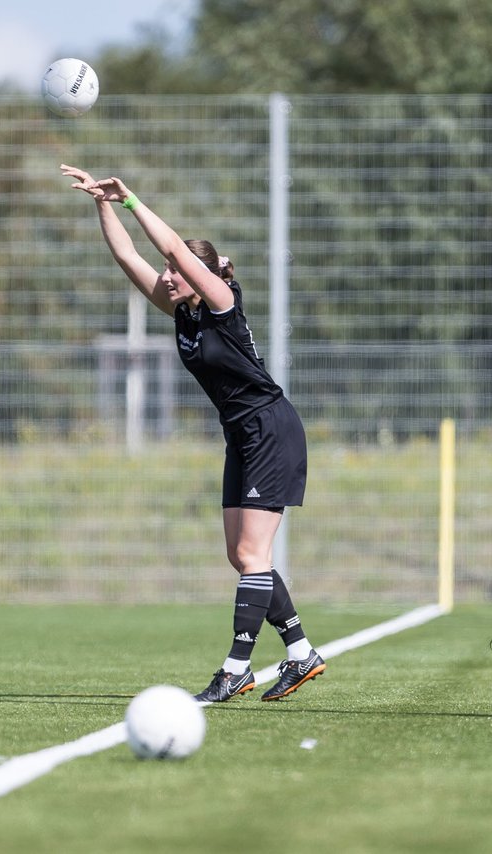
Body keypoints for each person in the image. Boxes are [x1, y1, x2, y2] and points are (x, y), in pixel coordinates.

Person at [60, 163, 326, 702]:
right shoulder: (181, 312)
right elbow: (126, 258)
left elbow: (176, 251)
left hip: (270, 429)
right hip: (242, 436)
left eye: (174, 269)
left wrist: (131, 197)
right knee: (242, 555)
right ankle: (300, 654)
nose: (166, 275)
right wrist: (101, 203)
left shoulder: (223, 306)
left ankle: (236, 669)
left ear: (201, 276)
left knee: (253, 555)